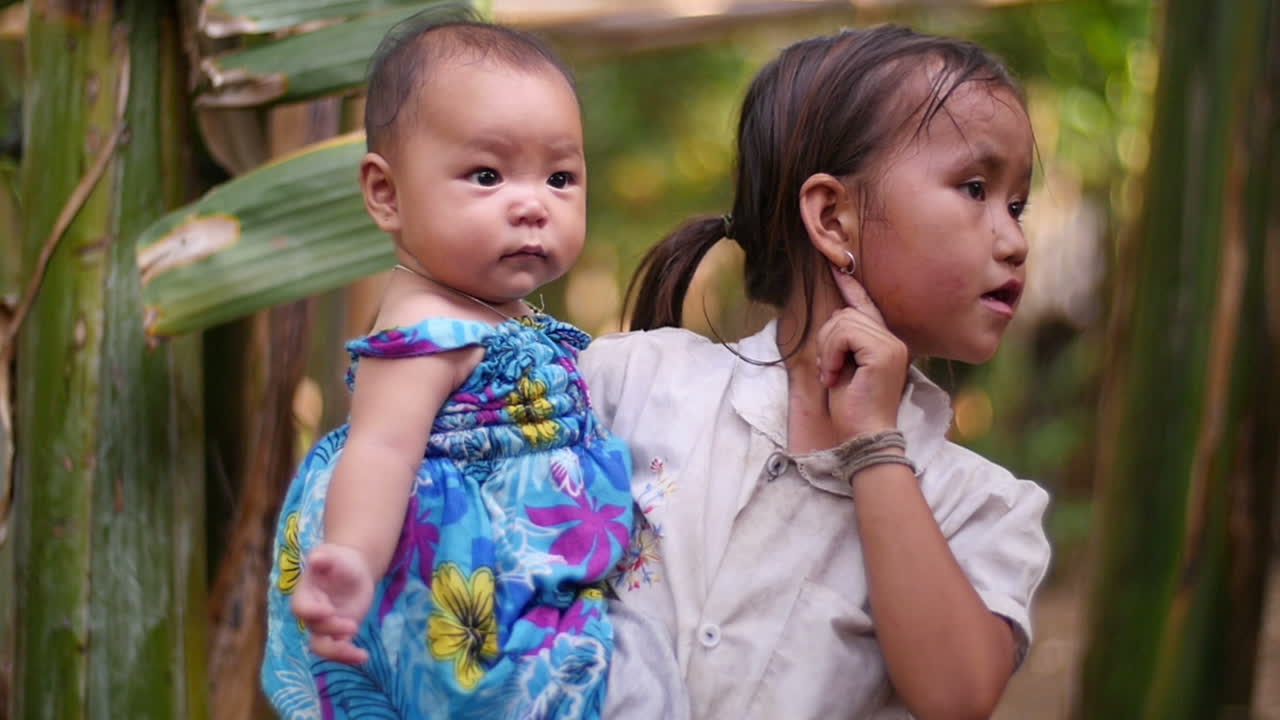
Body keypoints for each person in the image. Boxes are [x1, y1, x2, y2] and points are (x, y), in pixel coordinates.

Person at [585, 24, 1051, 719]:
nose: (1014, 240)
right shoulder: (631, 385)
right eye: (975, 188)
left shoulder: (984, 509)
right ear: (833, 218)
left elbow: (956, 696)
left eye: (1016, 205)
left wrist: (874, 445)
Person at [259, 9, 687, 719]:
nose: (532, 205)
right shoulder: (427, 327)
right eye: (487, 175)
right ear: (386, 194)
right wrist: (354, 561)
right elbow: (380, 450)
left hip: (530, 583)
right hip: (471, 599)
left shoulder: (499, 314)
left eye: (559, 177)